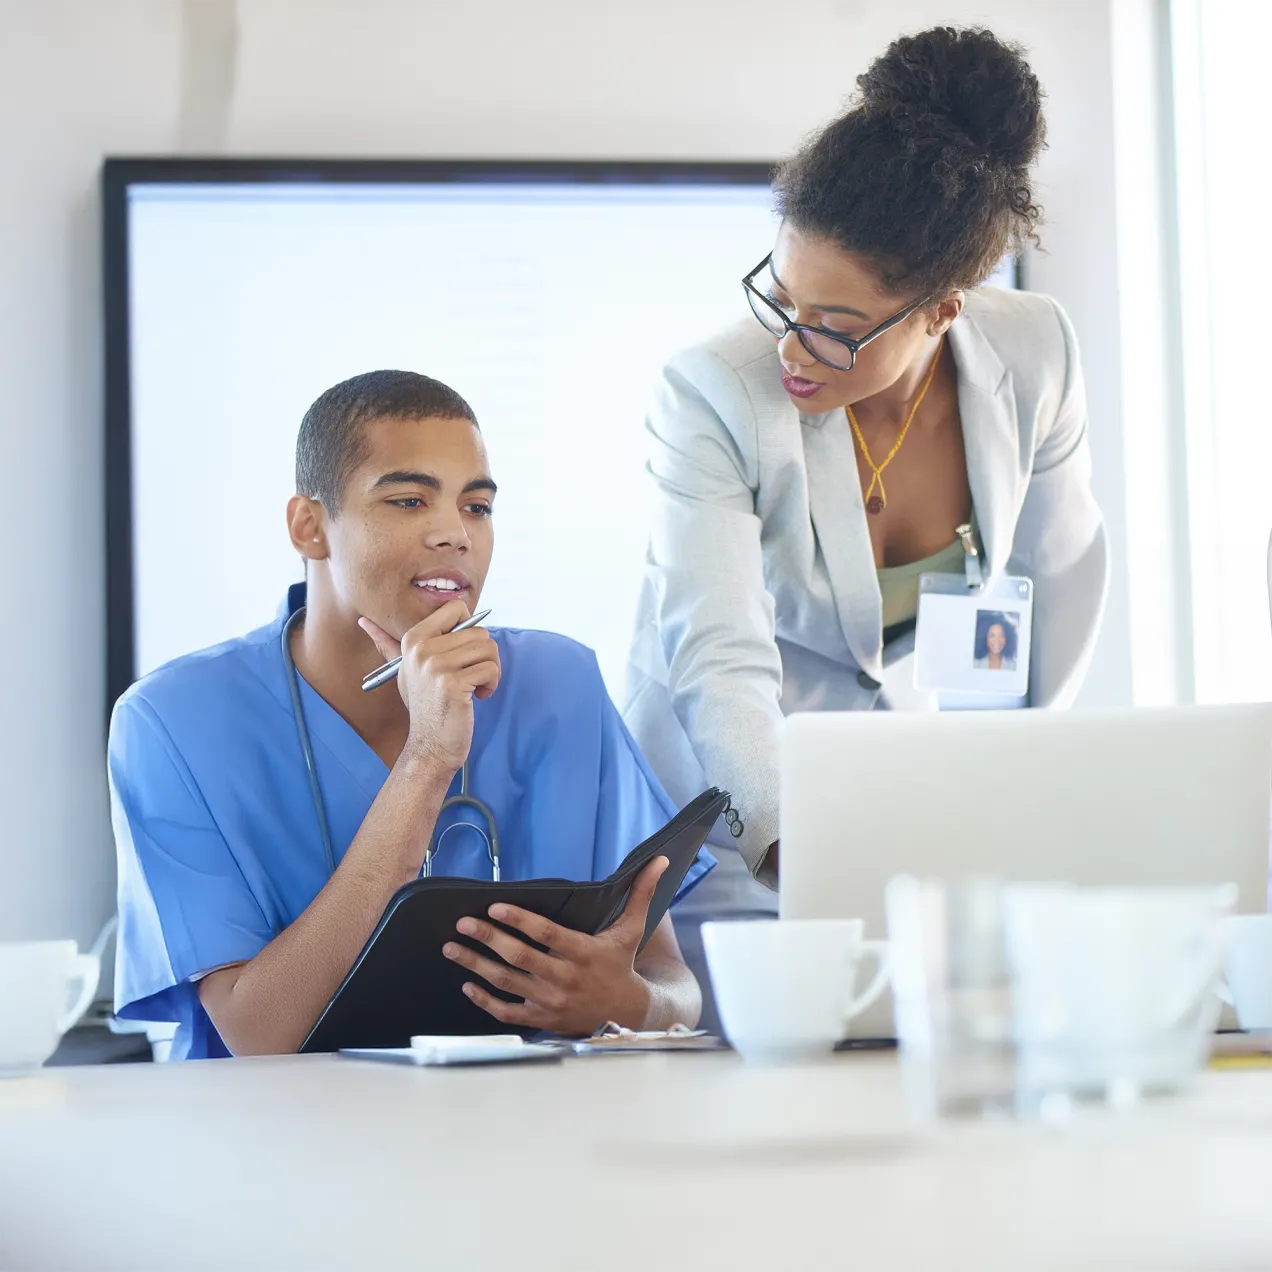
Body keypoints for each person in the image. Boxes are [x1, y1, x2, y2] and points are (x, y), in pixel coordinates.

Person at [623, 26, 1108, 1022]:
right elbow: (719, 660)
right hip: (733, 839)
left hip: (913, 822)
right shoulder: (714, 393)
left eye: (837, 327)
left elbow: (1051, 596)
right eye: (782, 296)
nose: (792, 345)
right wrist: (808, 855)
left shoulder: (1035, 355)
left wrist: (1000, 813)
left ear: (943, 311)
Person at [109, 371, 713, 1060]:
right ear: (310, 527)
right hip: (280, 1146)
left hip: (531, 1139)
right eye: (407, 499)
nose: (455, 534)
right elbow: (260, 1036)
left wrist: (626, 1003)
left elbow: (670, 985)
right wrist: (427, 760)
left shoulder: (558, 685)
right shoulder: (171, 722)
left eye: (477, 507)